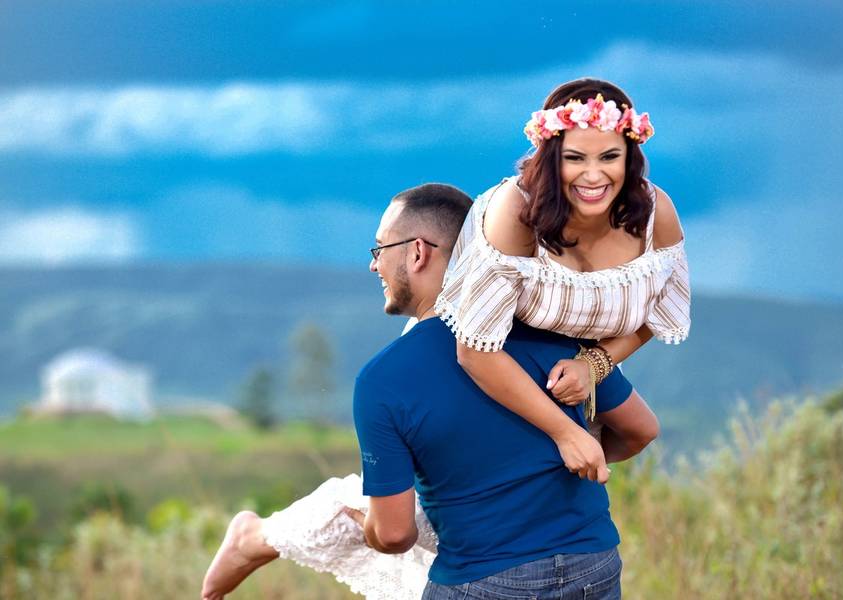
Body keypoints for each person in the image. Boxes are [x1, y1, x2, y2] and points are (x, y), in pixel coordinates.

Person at [201, 183, 659, 600]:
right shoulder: (551, 332)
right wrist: (553, 463)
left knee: (352, 503)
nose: (373, 263)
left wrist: (364, 524)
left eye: (379, 248)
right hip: (593, 567)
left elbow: (396, 535)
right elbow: (640, 430)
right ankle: (257, 538)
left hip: (483, 583)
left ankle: (260, 537)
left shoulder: (384, 379)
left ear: (418, 252)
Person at [436, 77, 689, 482]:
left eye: (609, 157)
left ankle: (540, 484)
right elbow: (474, 351)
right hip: (494, 340)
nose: (593, 176)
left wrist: (595, 364)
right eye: (575, 158)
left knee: (642, 431)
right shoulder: (515, 211)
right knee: (491, 451)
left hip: (574, 353)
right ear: (552, 158)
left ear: (630, 157)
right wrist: (566, 432)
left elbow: (656, 313)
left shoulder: (656, 214)